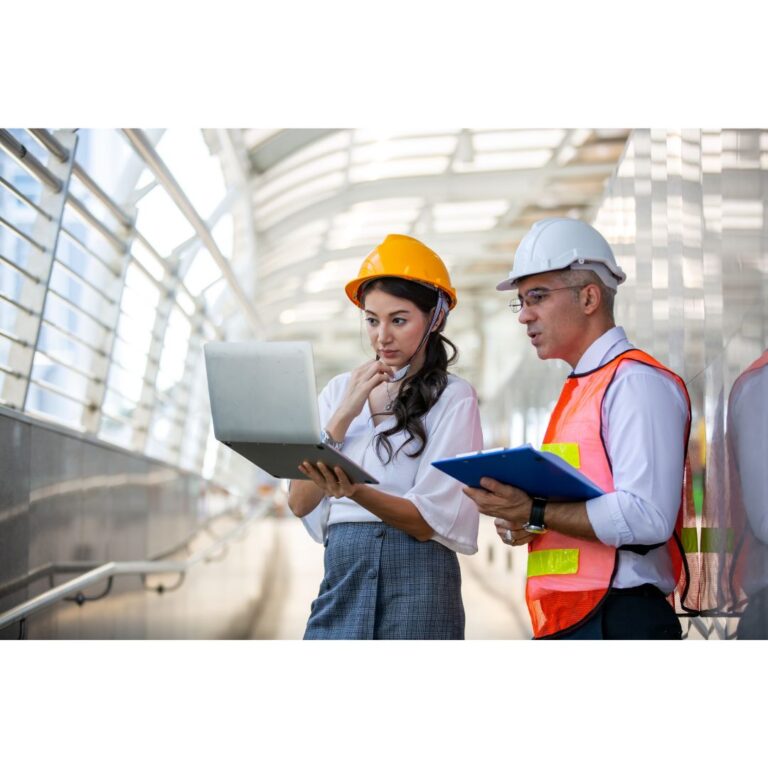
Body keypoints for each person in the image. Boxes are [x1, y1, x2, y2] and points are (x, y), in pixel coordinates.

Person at [464, 217, 694, 640]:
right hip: (576, 616)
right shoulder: (583, 388)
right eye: (521, 301)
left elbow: (648, 517)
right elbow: (585, 497)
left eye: (537, 296)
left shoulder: (635, 383)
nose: (524, 316)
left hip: (619, 618)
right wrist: (529, 521)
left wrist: (533, 511)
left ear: (589, 297)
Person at [288, 234, 483, 639]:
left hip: (419, 578)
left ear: (436, 318)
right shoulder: (340, 390)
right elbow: (299, 500)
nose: (382, 337)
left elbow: (428, 520)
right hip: (343, 572)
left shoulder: (453, 398)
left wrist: (353, 489)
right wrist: (344, 413)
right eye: (372, 320)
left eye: (399, 319)